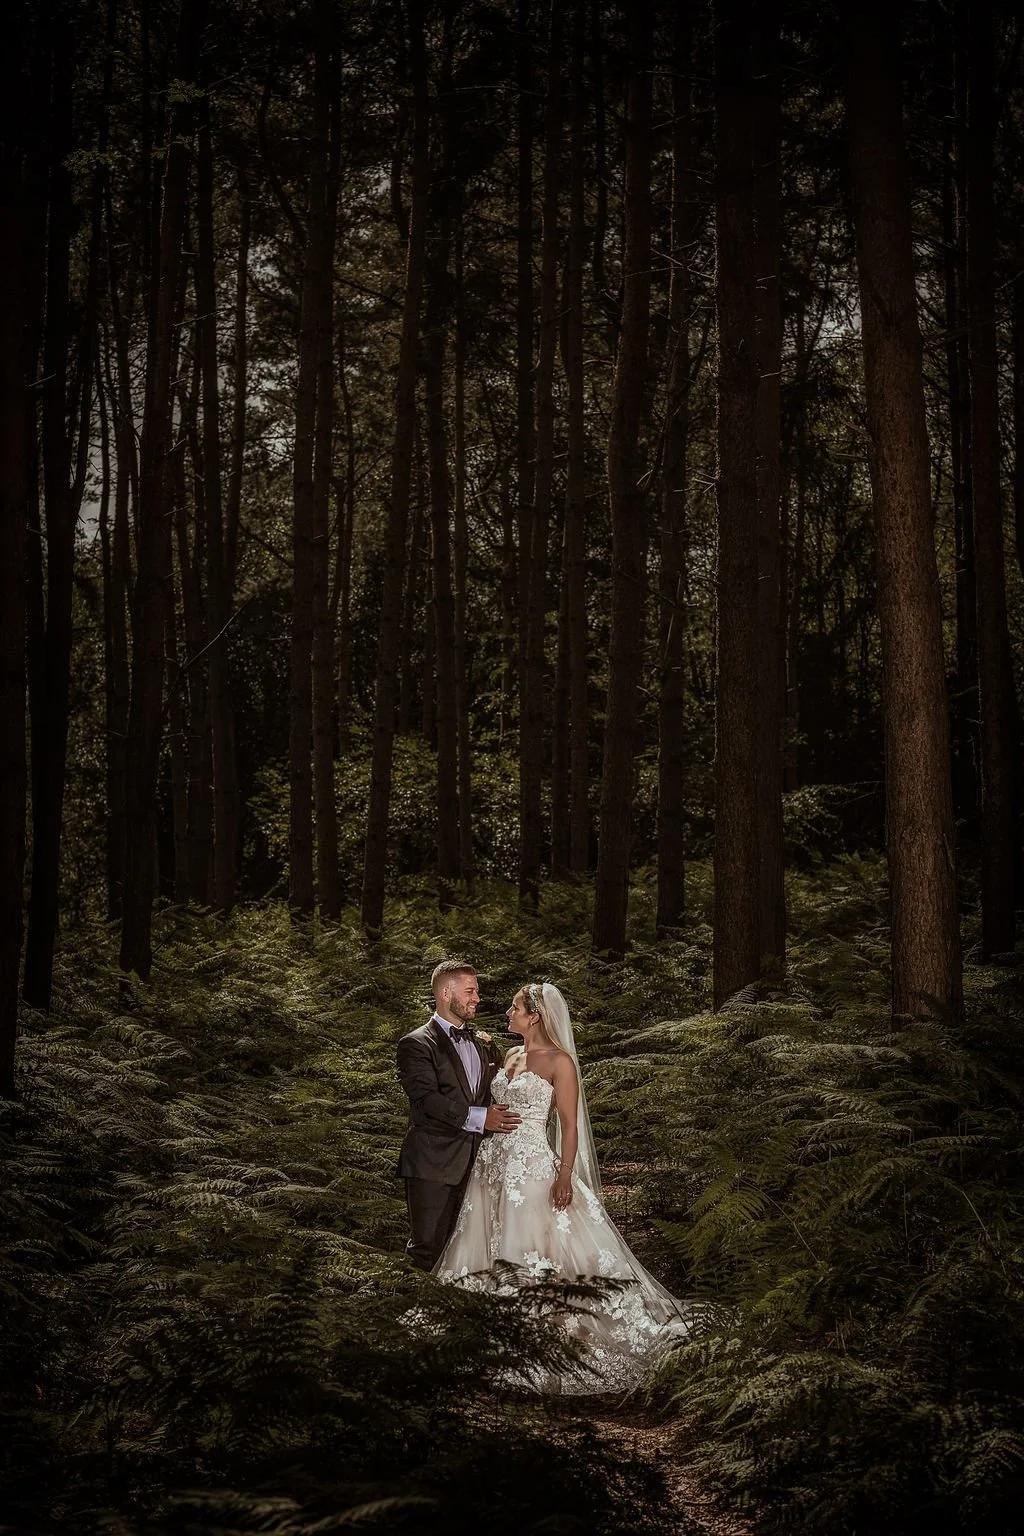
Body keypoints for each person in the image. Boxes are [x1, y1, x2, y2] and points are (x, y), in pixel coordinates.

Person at [433, 981, 691, 1394]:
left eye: (515, 1007)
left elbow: (569, 1126)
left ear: (533, 1015)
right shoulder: (510, 1054)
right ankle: (486, 1324)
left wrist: (565, 1173)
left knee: (536, 1244)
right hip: (493, 1165)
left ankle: (540, 1329)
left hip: (533, 1164)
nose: (507, 1013)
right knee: (488, 1239)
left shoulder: (560, 1062)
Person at [396, 960, 522, 1271]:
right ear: (445, 992)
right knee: (428, 1249)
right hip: (433, 1163)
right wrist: (482, 1118)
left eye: (477, 991)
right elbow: (426, 1100)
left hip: (480, 1165)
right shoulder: (415, 1043)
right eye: (470, 991)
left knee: (470, 1251)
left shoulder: (483, 1044)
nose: (477, 998)